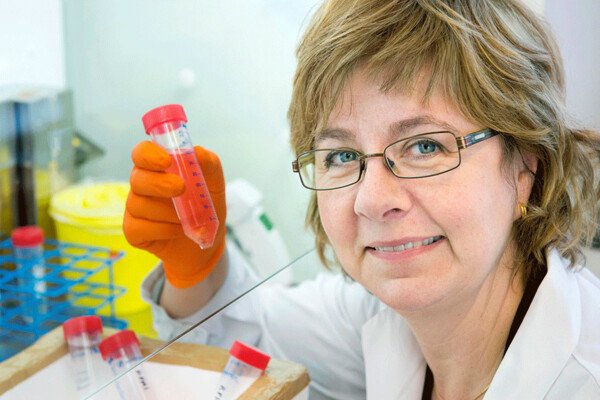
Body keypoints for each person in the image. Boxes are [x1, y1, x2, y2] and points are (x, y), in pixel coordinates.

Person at [123, 0, 600, 398]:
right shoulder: (382, 319)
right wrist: (198, 267)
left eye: (426, 146)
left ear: (525, 168)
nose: (372, 200)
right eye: (343, 155)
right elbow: (237, 346)